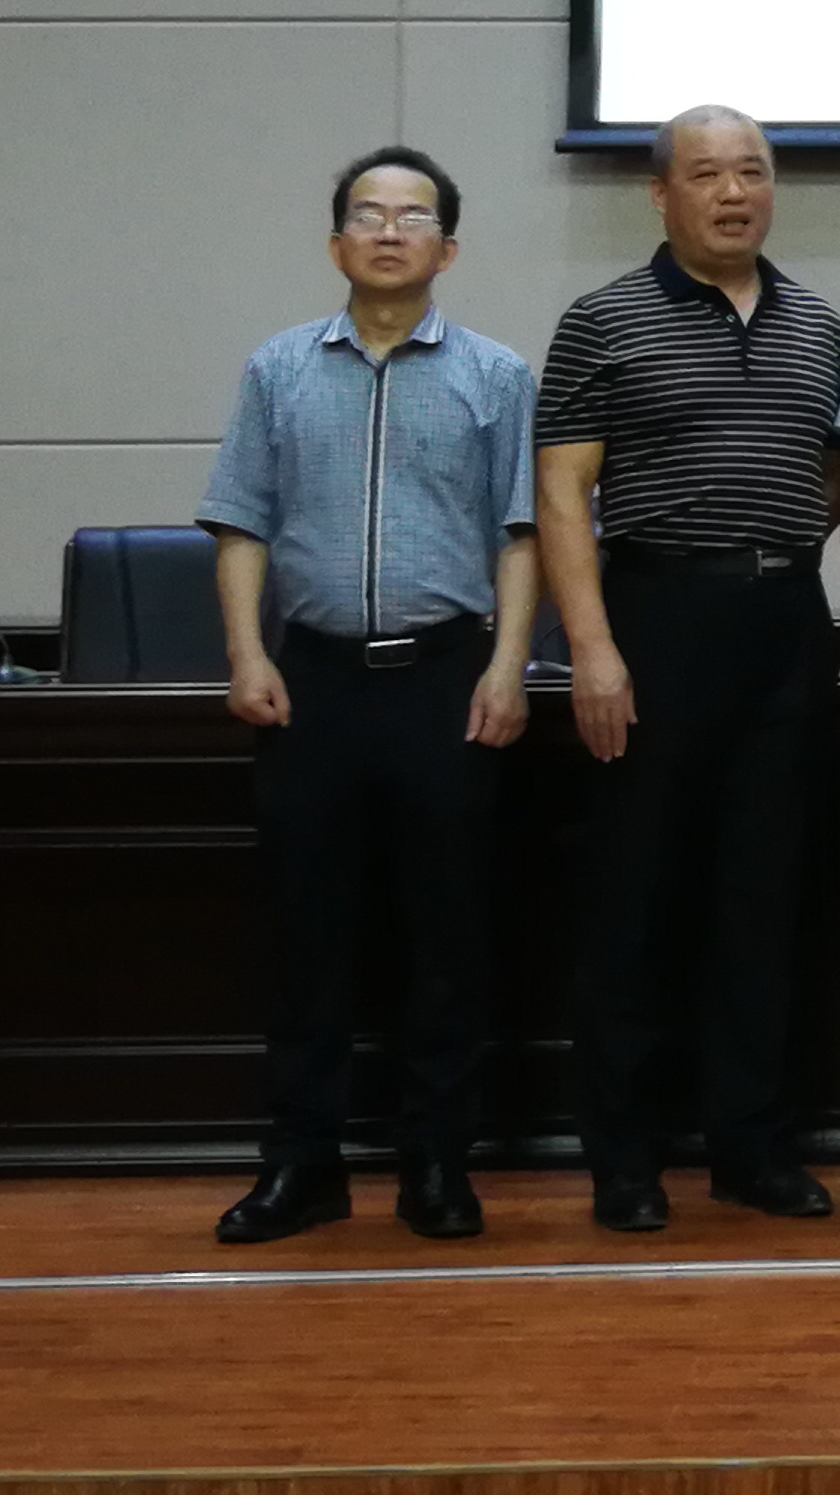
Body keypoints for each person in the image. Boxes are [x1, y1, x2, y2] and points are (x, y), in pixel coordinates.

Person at [203, 145, 540, 1247]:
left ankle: (436, 1165)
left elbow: (522, 534)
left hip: (446, 682)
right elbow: (240, 522)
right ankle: (300, 1166)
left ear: (449, 248)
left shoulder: (497, 376)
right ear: (336, 241)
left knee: (446, 940)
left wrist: (506, 666)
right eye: (368, 213)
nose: (389, 231)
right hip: (313, 686)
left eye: (413, 216)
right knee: (307, 940)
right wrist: (248, 656)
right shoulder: (278, 368)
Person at [535, 104, 840, 1233]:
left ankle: (750, 1149)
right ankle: (624, 1160)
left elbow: (838, 479)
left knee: (762, 898)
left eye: (752, 173)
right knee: (637, 900)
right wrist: (591, 648)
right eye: (708, 174)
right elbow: (561, 494)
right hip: (654, 619)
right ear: (660, 193)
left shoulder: (819, 326)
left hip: (784, 623)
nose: (733, 193)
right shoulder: (602, 319)